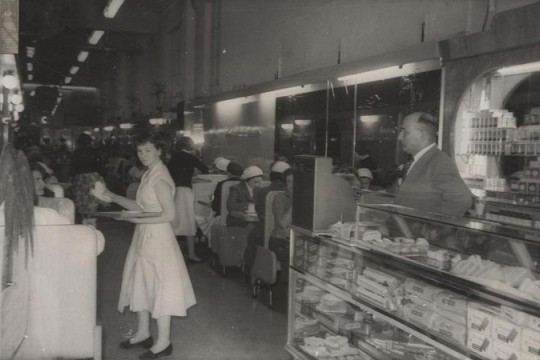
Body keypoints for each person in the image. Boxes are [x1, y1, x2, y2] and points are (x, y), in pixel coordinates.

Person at [96, 131, 195, 359]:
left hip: (158, 238)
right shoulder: (150, 173)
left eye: (148, 150)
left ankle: (163, 342)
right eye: (140, 151)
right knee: (139, 282)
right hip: (145, 235)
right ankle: (143, 333)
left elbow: (168, 215)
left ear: (160, 151)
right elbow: (141, 205)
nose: (143, 155)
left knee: (160, 287)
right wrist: (112, 196)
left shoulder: (160, 178)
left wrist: (133, 219)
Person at [395, 112, 473, 216]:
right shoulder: (421, 159)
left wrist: (433, 226)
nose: (400, 137)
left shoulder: (440, 162)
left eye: (405, 132)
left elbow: (463, 200)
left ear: (421, 134)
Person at [243, 161, 289, 273]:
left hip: (263, 231)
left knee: (251, 238)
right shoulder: (290, 192)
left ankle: (249, 271)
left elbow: (256, 212)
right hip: (285, 234)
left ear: (271, 175)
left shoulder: (262, 191)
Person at [168, 136, 209, 263]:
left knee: (173, 223)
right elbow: (205, 169)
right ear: (190, 146)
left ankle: (170, 253)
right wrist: (193, 173)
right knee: (189, 223)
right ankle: (191, 254)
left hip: (173, 192)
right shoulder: (191, 157)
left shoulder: (173, 157)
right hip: (185, 192)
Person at [69, 133, 105, 225]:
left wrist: (72, 177)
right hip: (93, 178)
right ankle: (92, 221)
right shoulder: (95, 151)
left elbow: (73, 167)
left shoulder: (76, 152)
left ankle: (84, 221)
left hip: (80, 178)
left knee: (82, 201)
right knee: (92, 200)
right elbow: (100, 166)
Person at [268, 168, 293, 283]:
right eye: (289, 181)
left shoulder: (310, 198)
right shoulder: (279, 198)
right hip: (279, 240)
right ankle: (288, 290)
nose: (293, 185)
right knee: (291, 254)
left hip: (294, 239)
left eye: (296, 181)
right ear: (285, 183)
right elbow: (282, 224)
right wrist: (296, 202)